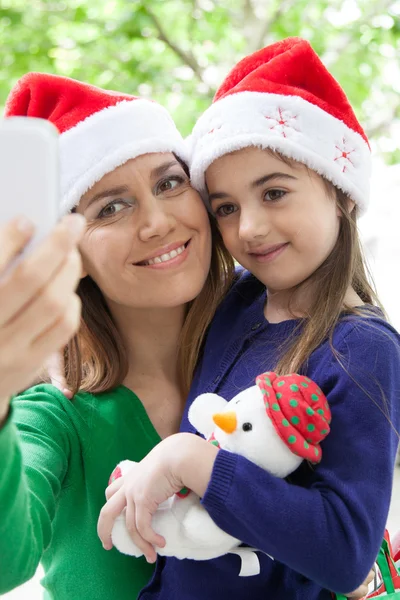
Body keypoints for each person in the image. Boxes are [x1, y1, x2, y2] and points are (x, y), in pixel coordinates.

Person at [97, 38, 400, 600]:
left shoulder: (361, 348)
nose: (250, 229)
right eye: (226, 208)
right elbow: (133, 297)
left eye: (275, 192)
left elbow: (346, 550)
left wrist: (191, 459)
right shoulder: (234, 300)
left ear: (341, 195)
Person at [0, 73, 233, 599]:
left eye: (170, 182)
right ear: (69, 250)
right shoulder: (55, 416)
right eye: (111, 206)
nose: (156, 222)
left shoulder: (273, 348)